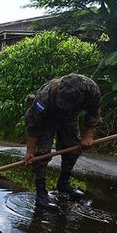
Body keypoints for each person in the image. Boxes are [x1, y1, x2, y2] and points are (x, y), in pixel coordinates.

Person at [24, 73, 101, 210]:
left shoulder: (91, 89)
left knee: (73, 149)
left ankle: (63, 183)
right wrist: (29, 151)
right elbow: (33, 123)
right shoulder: (44, 97)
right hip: (46, 120)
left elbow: (94, 112)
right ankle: (41, 193)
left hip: (70, 118)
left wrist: (88, 136)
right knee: (41, 154)